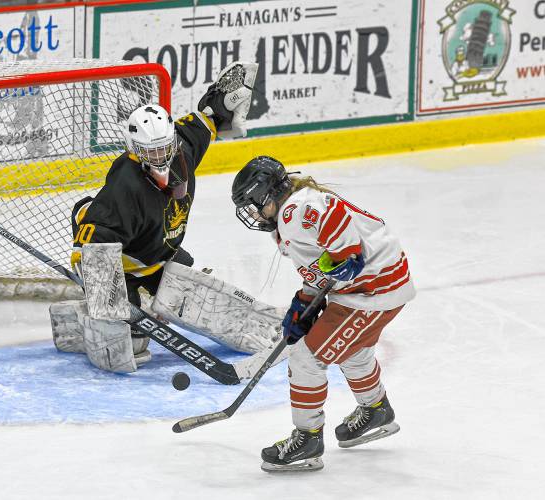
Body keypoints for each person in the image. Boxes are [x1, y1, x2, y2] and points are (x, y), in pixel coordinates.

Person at [49, 63, 284, 374]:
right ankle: (80, 321)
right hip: (127, 265)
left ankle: (260, 326)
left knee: (201, 299)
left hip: (163, 253)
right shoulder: (125, 185)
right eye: (151, 152)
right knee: (130, 342)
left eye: (164, 149)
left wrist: (227, 101)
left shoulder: (183, 148)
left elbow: (207, 118)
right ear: (135, 151)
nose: (160, 158)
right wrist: (109, 301)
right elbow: (95, 243)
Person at [231, 156, 416, 472]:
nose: (255, 213)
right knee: (353, 352)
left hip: (373, 292)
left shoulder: (297, 208)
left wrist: (348, 253)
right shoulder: (290, 215)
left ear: (267, 193)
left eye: (254, 204)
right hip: (370, 288)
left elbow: (332, 213)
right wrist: (303, 303)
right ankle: (376, 411)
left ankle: (308, 439)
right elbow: (320, 267)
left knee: (306, 358)